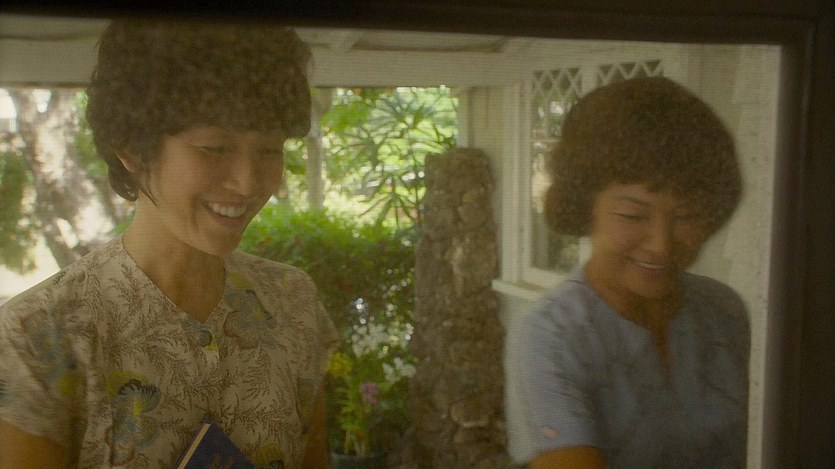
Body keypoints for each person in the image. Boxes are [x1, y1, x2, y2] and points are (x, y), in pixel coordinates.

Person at [0, 18, 338, 468]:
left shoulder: (293, 302)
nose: (247, 181)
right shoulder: (42, 333)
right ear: (131, 148)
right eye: (214, 148)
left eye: (269, 150)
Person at [508, 76, 750, 468]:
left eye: (686, 215)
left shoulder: (724, 310)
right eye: (632, 215)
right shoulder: (555, 334)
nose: (661, 245)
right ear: (586, 207)